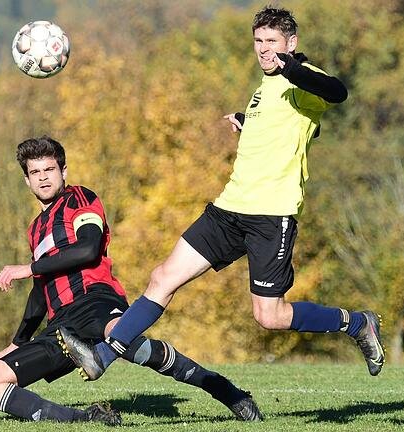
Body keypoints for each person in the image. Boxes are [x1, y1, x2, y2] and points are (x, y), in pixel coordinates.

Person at [59, 6, 385, 383]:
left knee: (270, 317)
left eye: (272, 42)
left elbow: (338, 92)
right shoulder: (263, 90)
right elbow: (285, 132)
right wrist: (247, 122)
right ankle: (102, 357)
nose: (264, 50)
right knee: (163, 277)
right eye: (258, 42)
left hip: (270, 216)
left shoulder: (302, 77)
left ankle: (358, 323)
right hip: (229, 209)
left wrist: (292, 67)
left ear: (291, 44)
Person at [0, 136, 263, 425]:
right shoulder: (35, 229)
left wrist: (29, 267)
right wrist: (17, 341)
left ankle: (225, 390)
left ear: (63, 172)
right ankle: (87, 419)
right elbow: (40, 289)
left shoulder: (80, 199)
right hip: (60, 325)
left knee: (129, 342)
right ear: (27, 180)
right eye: (35, 172)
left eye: (49, 170)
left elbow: (88, 248)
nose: (43, 178)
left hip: (94, 299)